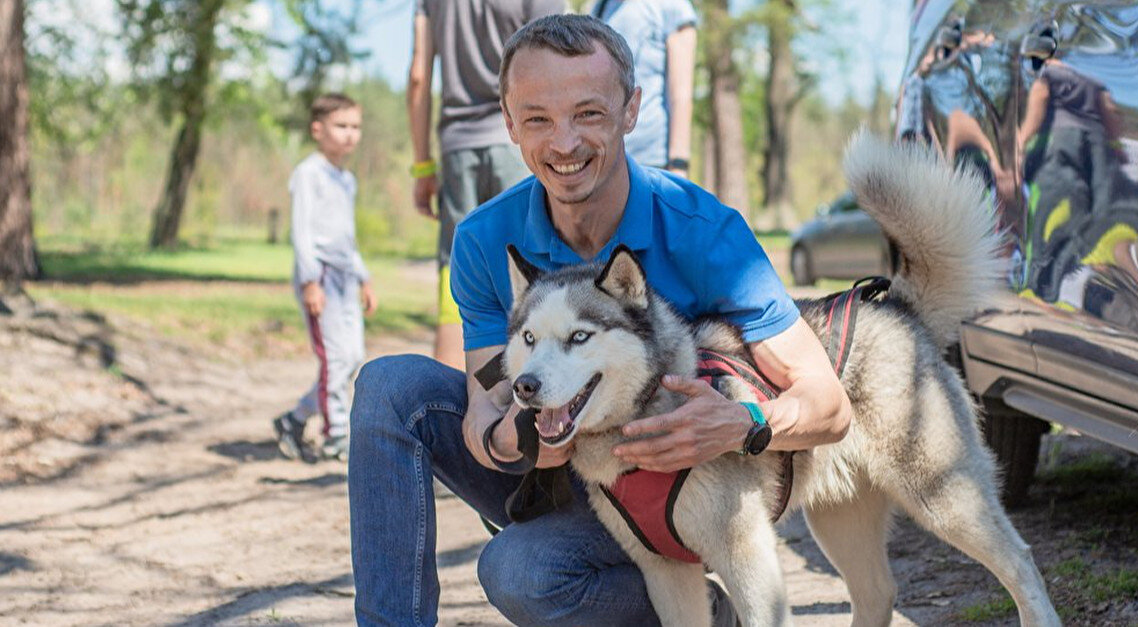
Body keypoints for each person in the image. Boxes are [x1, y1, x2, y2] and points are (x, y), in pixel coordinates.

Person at [348, 15, 851, 626]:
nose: (563, 143)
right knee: (390, 387)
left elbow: (830, 405)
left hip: (689, 487)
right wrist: (512, 441)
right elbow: (488, 402)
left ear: (631, 110)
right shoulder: (483, 240)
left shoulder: (704, 231)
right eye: (537, 118)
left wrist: (742, 422)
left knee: (518, 572)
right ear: (508, 122)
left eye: (588, 113)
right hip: (567, 479)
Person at [407, 0, 564, 371]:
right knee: (533, 271)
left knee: (455, 269)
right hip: (521, 139)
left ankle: (452, 401)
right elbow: (556, 62)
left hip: (456, 148)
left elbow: (418, 77)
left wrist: (422, 165)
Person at [273, 93, 378, 463]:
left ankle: (295, 418)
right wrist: (309, 281)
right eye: (341, 126)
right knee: (334, 358)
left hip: (346, 277)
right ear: (318, 129)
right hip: (320, 278)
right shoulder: (308, 174)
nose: (350, 135)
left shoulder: (345, 179)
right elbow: (301, 232)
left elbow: (346, 236)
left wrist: (364, 278)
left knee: (352, 357)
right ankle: (336, 434)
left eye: (355, 127)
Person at [592, 0, 696, 175]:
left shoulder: (674, 6)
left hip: (652, 162)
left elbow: (681, 94)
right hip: (605, 161)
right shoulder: (601, 6)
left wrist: (679, 165)